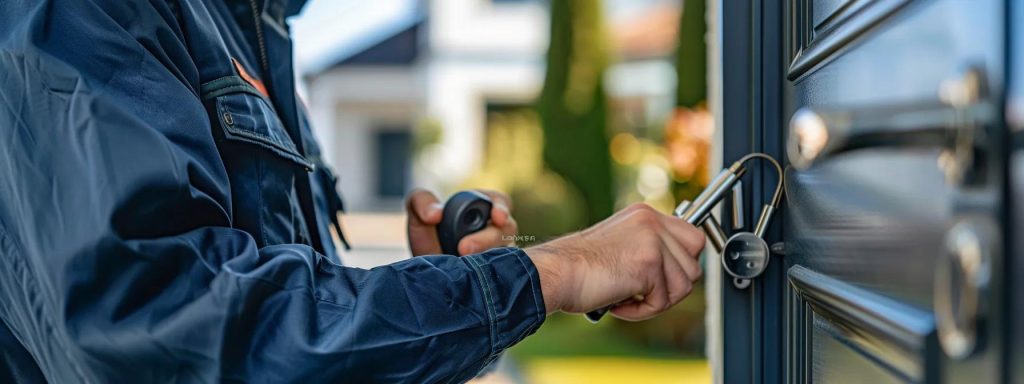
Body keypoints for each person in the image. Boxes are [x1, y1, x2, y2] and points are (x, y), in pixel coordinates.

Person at [0, 0, 706, 382]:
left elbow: (281, 311)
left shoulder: (254, 26)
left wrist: (439, 285)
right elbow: (160, 333)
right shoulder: (81, 14)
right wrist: (548, 272)